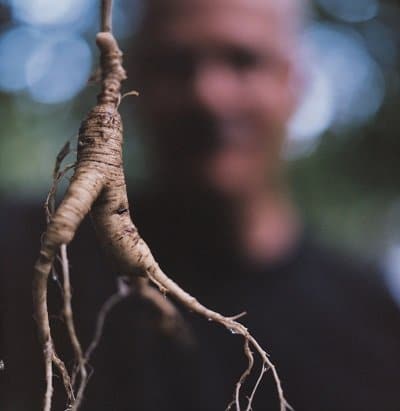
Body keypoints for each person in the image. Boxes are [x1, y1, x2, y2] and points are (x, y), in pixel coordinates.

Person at [1, 0, 400, 410]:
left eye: (243, 61)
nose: (208, 96)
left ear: (294, 82)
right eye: (176, 64)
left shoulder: (376, 322)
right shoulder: (19, 255)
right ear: (132, 85)